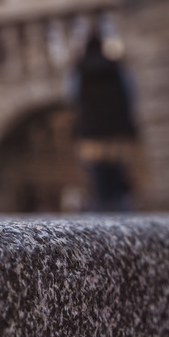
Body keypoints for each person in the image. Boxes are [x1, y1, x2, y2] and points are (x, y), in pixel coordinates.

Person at [70, 33, 138, 212]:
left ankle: (102, 210)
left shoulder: (79, 69)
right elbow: (130, 93)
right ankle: (123, 211)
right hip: (116, 129)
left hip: (91, 129)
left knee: (97, 175)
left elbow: (73, 96)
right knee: (118, 173)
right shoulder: (116, 67)